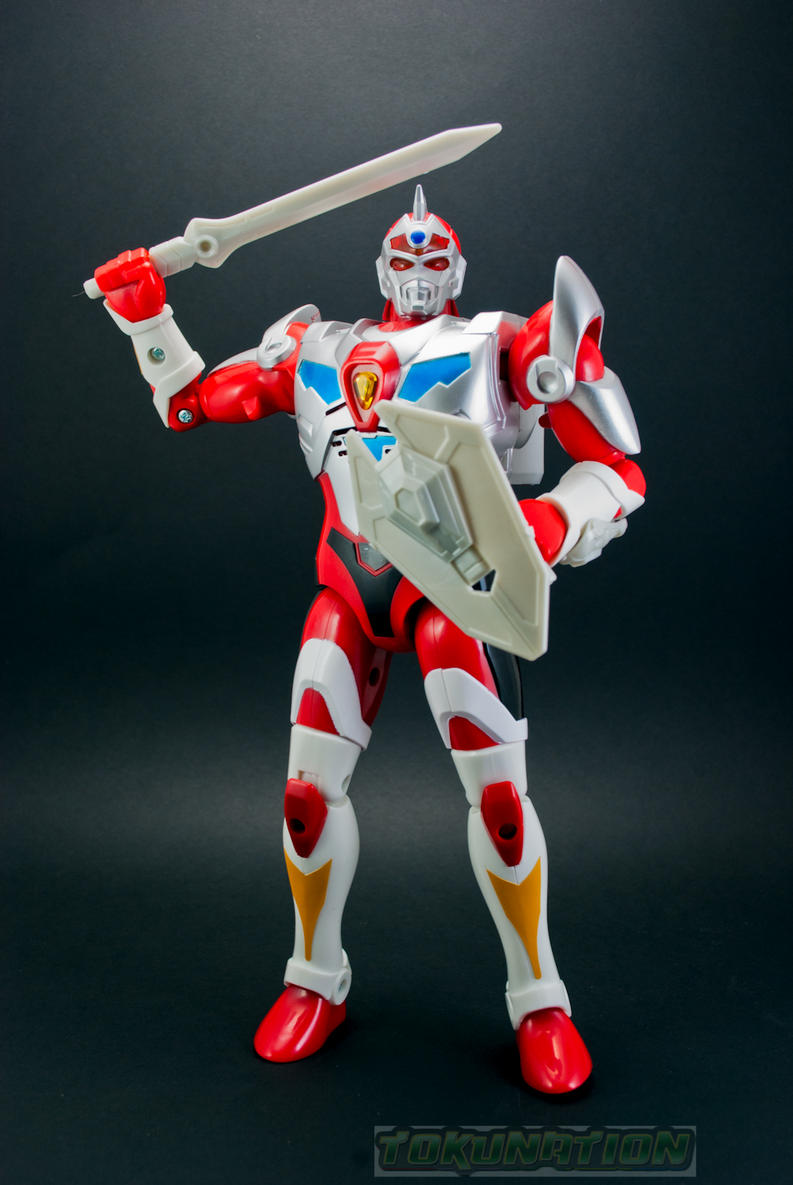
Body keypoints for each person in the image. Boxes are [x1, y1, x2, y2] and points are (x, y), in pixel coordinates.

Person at [91, 184, 645, 1093]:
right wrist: (147, 312)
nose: (419, 271)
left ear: (457, 269)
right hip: (348, 593)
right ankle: (315, 979)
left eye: (435, 258)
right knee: (305, 798)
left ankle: (539, 999)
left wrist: (546, 524)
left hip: (453, 598)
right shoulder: (315, 348)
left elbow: (616, 468)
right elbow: (189, 402)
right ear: (380, 267)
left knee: (501, 806)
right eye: (404, 257)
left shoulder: (501, 345)